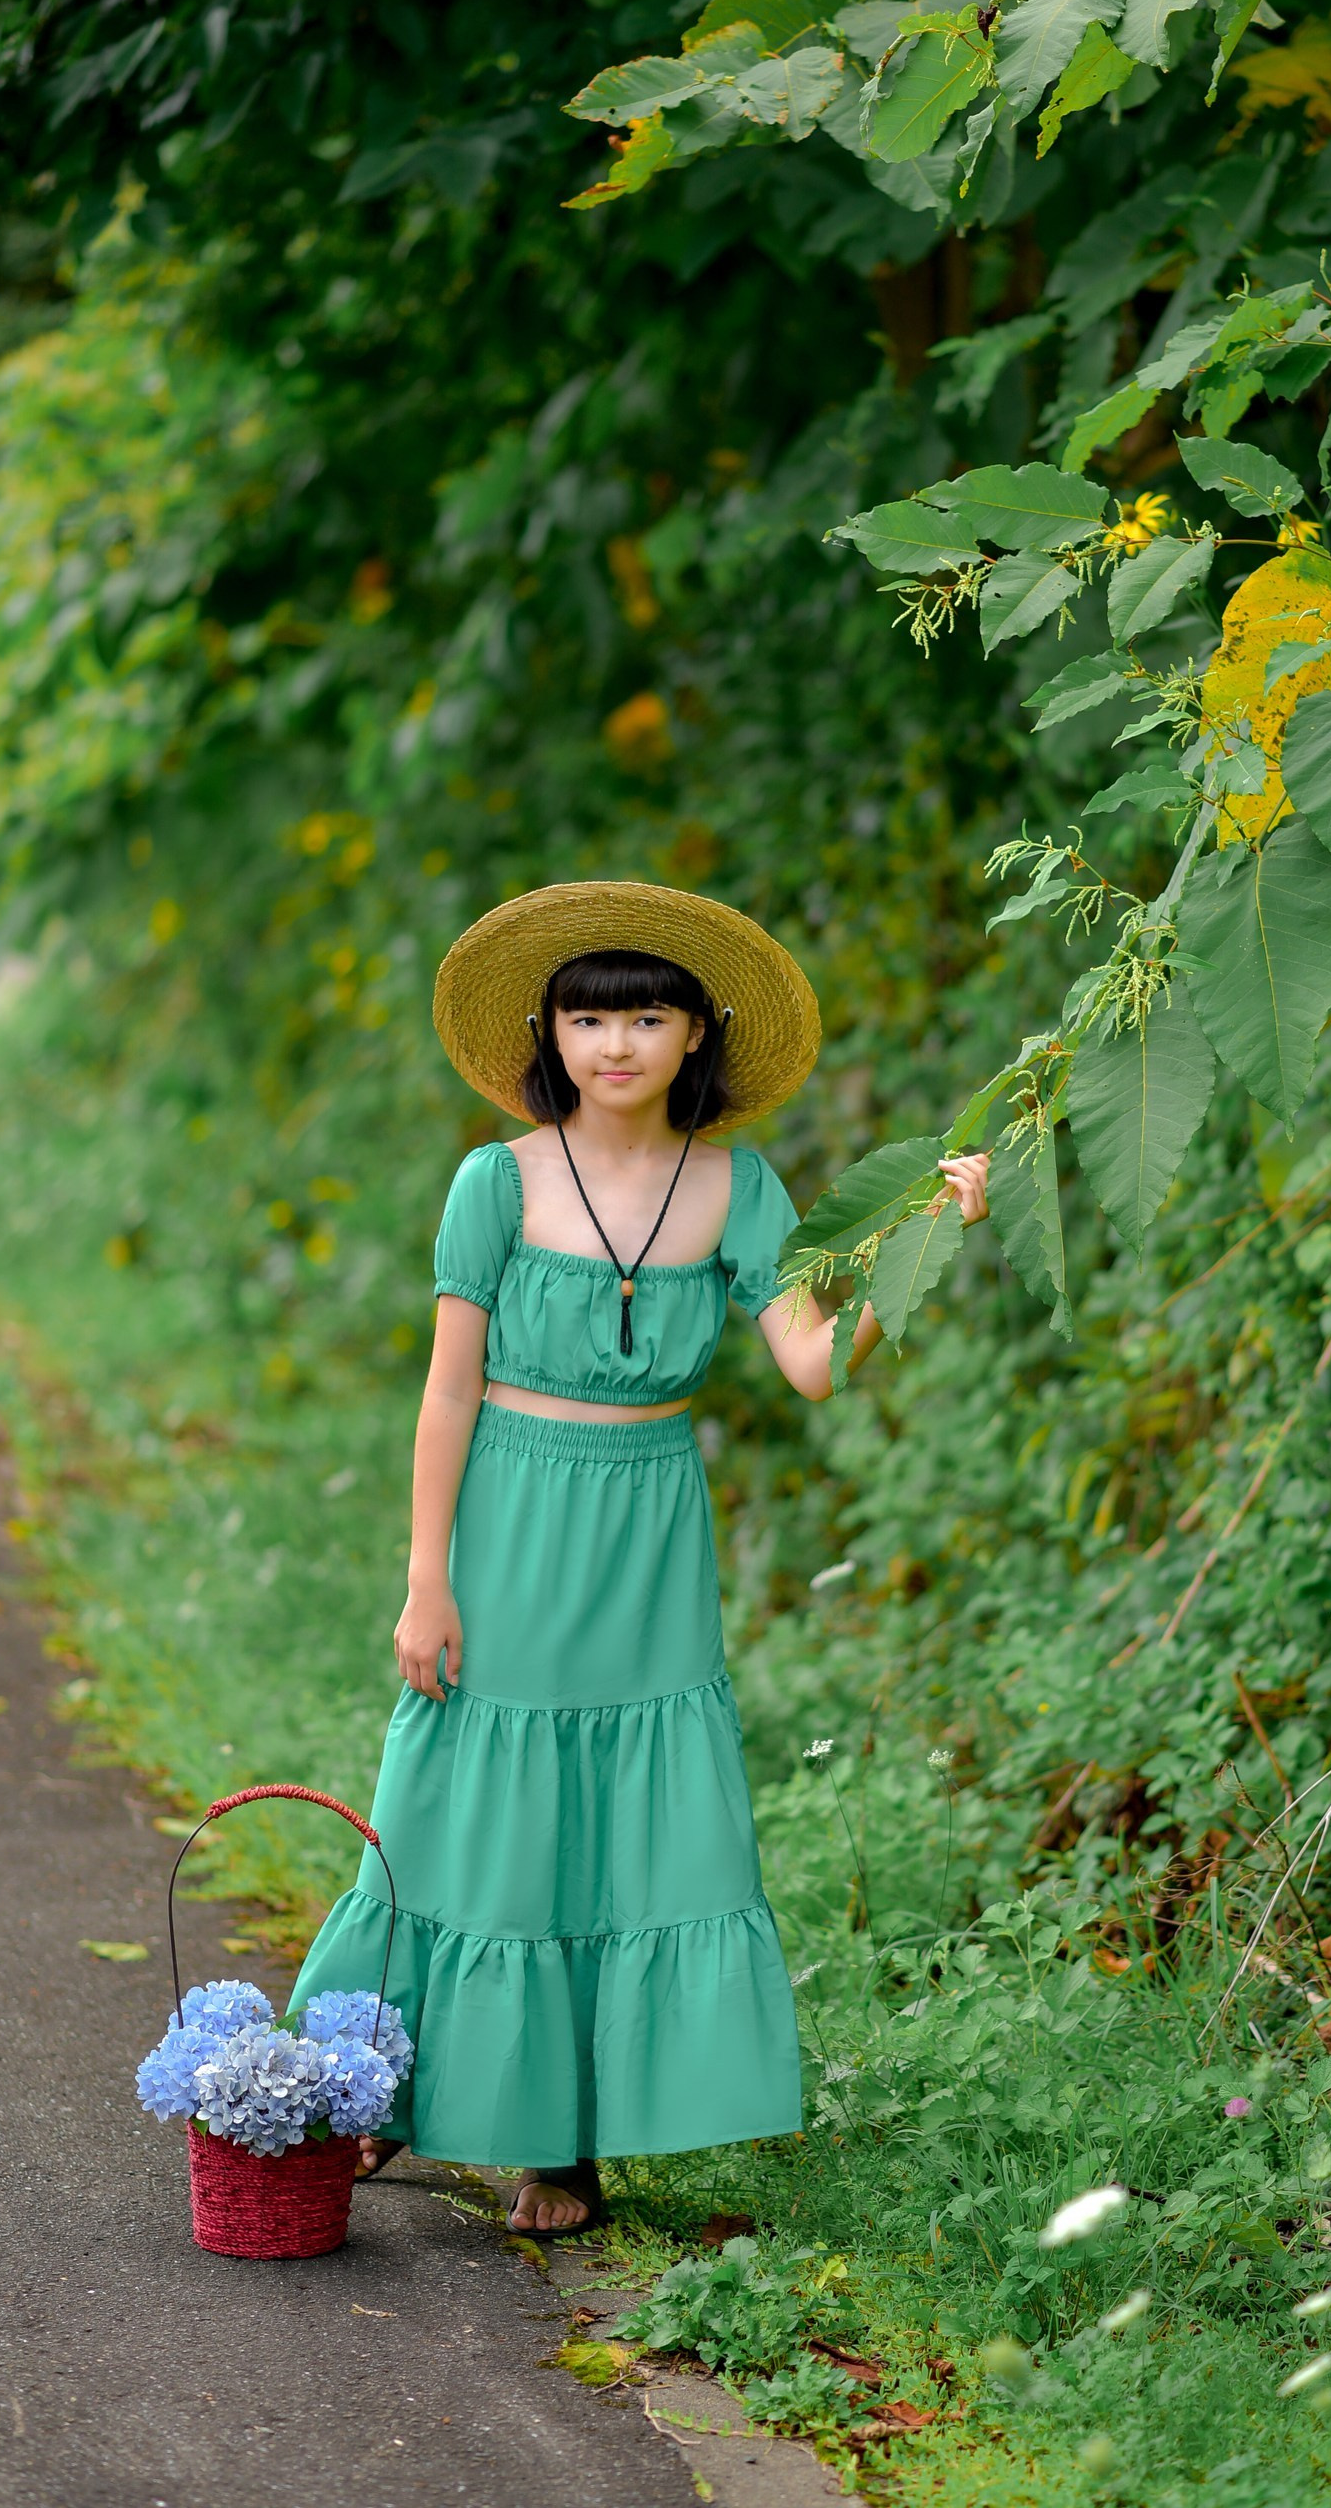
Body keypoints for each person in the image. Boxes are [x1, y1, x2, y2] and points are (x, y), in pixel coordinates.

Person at [289, 881, 989, 2235]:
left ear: (692, 1038)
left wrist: (921, 1245)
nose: (614, 1043)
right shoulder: (494, 1181)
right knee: (456, 1791)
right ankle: (376, 2080)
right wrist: (425, 1578)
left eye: (646, 1017)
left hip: (648, 1521)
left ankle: (561, 2146)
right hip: (508, 1511)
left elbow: (810, 1364)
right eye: (586, 1016)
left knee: (615, 1823)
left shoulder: (736, 1184)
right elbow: (445, 1392)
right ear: (547, 1036)